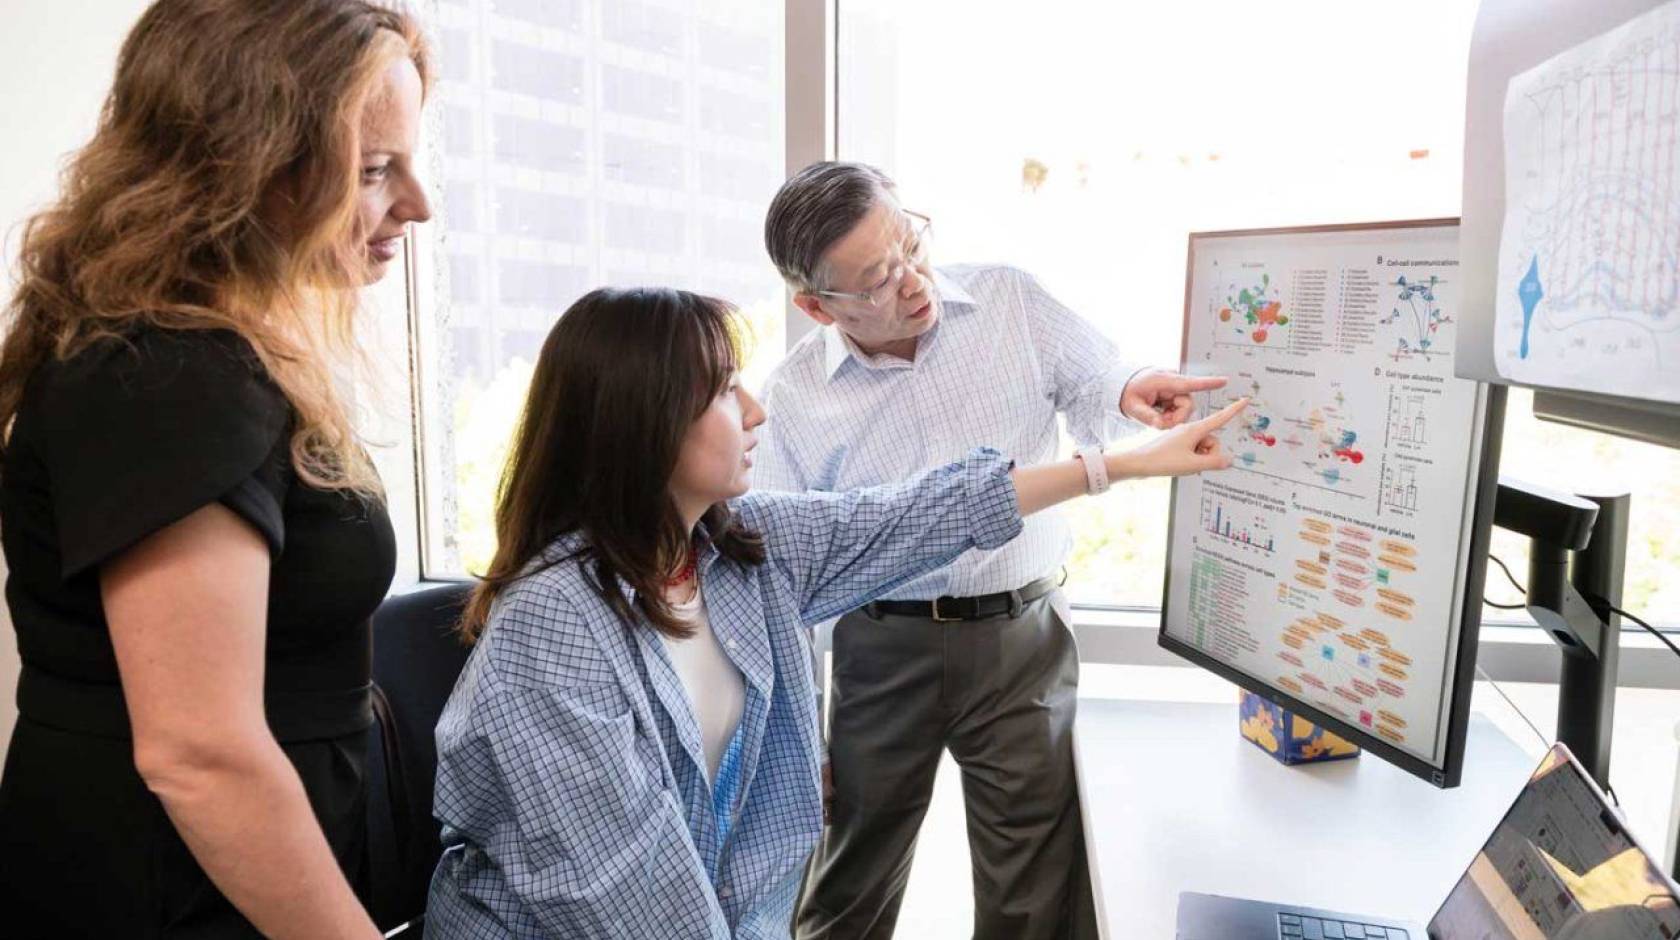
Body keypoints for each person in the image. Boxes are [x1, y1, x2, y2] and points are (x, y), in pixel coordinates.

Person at [424, 285, 1244, 938]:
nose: (755, 411)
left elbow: (924, 511)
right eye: (721, 390)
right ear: (643, 424)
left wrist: (1119, 466)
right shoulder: (555, 620)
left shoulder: (742, 549)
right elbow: (623, 890)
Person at [0, 1, 432, 936]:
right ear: (245, 167)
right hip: (175, 887)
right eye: (371, 172)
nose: (417, 204)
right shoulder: (170, 372)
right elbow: (201, 752)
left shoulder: (216, 352)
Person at [753, 160, 1225, 940]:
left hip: (1021, 639)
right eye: (876, 280)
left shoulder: (1009, 298)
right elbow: (786, 583)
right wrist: (803, 734)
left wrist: (1130, 386)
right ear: (815, 305)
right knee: (849, 881)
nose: (911, 282)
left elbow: (1094, 374)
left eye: (910, 245)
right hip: (880, 650)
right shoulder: (796, 397)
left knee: (1034, 891)